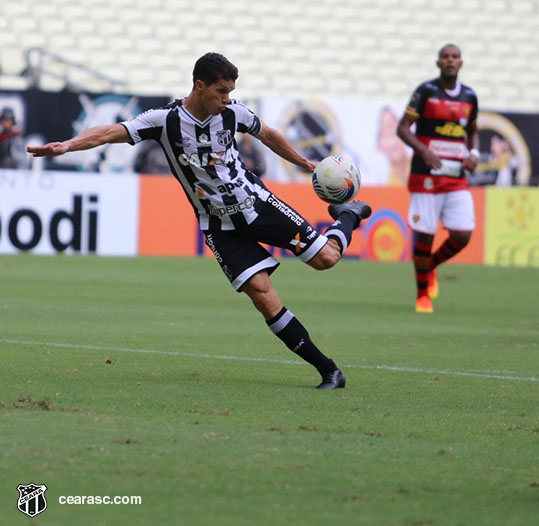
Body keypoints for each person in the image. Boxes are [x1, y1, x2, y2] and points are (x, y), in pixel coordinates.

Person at [27, 52, 372, 390]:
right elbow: (107, 133)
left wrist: (305, 163)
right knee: (262, 296)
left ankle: (347, 214)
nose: (227, 99)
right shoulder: (164, 120)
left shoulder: (234, 113)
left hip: (256, 205)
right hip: (217, 226)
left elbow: (267, 133)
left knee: (326, 259)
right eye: (221, 92)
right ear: (199, 85)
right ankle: (328, 371)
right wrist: (68, 145)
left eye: (230, 92)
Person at [396, 43, 479, 313]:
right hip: (426, 177)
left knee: (463, 234)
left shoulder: (469, 96)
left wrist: (474, 153)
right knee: (425, 237)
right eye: (445, 56)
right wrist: (423, 150)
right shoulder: (426, 92)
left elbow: (473, 130)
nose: (450, 60)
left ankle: (429, 266)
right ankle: (422, 296)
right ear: (438, 62)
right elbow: (402, 128)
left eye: (455, 56)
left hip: (456, 176)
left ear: (461, 63)